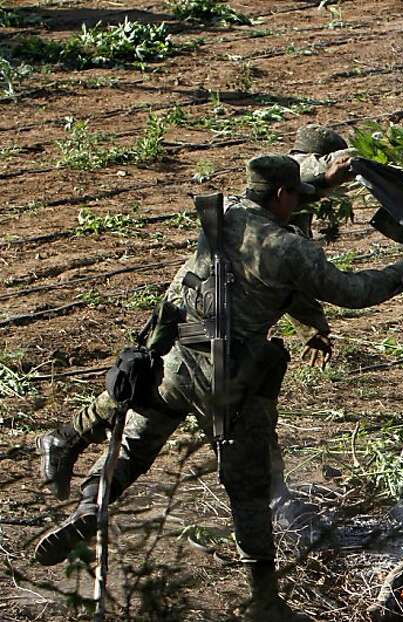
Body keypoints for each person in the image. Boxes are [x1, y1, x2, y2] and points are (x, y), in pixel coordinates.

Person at [33, 155, 403, 622]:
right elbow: (350, 290)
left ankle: (88, 508)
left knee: (133, 447)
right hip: (227, 380)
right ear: (284, 196)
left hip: (179, 357)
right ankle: (264, 602)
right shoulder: (286, 249)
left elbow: (282, 200)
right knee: (249, 487)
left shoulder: (227, 211)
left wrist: (321, 183)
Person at [37, 125, 359, 506]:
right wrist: (327, 173)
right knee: (151, 385)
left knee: (158, 390)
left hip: (210, 313)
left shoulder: (289, 203)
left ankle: (74, 451)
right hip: (198, 310)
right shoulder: (282, 184)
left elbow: (288, 281)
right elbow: (302, 175)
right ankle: (68, 440)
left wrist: (312, 326)